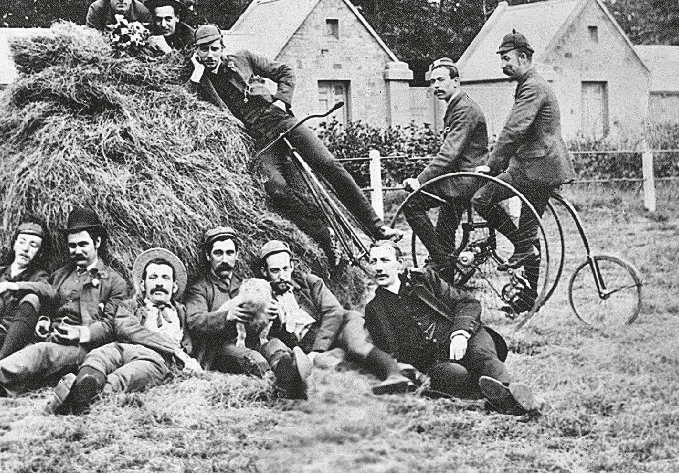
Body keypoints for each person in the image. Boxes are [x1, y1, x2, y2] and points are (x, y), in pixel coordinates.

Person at [189, 25, 402, 252]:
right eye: (204, 50)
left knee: (329, 165)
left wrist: (282, 100)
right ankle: (324, 230)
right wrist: (196, 75)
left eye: (214, 48)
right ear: (197, 52)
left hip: (281, 121)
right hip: (259, 141)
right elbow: (196, 106)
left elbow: (285, 72)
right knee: (276, 188)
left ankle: (377, 228)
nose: (210, 55)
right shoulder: (201, 81)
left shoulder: (244, 58)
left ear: (222, 47)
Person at [0, 207, 129, 399]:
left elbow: (111, 326)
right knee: (29, 352)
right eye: (72, 246)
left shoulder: (114, 282)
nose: (77, 251)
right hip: (49, 336)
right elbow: (47, 299)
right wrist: (44, 319)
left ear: (97, 242)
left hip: (80, 348)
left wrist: (79, 332)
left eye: (83, 244)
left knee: (40, 352)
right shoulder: (61, 274)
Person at [363, 241, 542, 416]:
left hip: (466, 337)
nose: (379, 267)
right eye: (373, 261)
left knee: (484, 359)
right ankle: (515, 402)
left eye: (385, 260)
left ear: (399, 263)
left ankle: (504, 394)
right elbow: (392, 353)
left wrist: (460, 335)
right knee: (455, 375)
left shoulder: (425, 280)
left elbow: (467, 302)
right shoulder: (375, 309)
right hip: (436, 361)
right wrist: (416, 374)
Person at [471, 30, 575, 311]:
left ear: (524, 57)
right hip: (539, 166)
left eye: (507, 59)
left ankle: (523, 246)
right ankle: (526, 299)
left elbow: (514, 130)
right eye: (502, 59)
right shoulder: (529, 84)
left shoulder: (532, 87)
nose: (503, 65)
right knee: (529, 231)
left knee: (481, 199)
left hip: (534, 168)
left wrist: (493, 166)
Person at [49, 247, 201, 414]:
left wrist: (187, 360)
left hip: (155, 359)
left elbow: (203, 327)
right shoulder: (131, 306)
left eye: (165, 278)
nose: (159, 283)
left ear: (174, 286)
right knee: (98, 357)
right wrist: (173, 348)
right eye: (153, 277)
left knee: (127, 376)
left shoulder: (183, 313)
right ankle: (84, 383)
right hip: (122, 347)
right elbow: (126, 328)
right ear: (143, 285)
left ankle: (79, 399)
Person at [257, 239, 415, 395]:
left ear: (292, 265)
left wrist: (317, 349)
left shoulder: (309, 282)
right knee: (330, 364)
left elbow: (334, 311)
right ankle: (402, 370)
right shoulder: (262, 295)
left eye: (285, 268)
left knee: (356, 347)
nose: (282, 276)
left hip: (341, 325)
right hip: (310, 343)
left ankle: (394, 374)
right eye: (275, 271)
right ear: (265, 272)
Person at [185, 226, 313, 400]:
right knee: (252, 358)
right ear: (208, 256)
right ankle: (276, 389)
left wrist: (272, 316)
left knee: (275, 345)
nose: (225, 259)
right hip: (220, 349)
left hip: (254, 340)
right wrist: (226, 316)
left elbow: (266, 325)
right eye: (218, 253)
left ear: (237, 255)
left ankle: (290, 369)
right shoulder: (200, 288)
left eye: (230, 253)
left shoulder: (250, 284)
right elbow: (194, 321)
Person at [400, 58, 489, 282]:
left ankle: (441, 261)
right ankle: (444, 278)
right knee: (445, 230)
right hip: (460, 178)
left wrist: (420, 181)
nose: (436, 86)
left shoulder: (464, 109)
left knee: (413, 204)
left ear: (456, 81)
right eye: (432, 81)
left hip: (464, 179)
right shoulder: (458, 106)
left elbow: (449, 154)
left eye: (441, 80)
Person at [0, 221, 50, 361]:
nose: (25, 249)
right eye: (22, 242)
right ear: (14, 245)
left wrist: (11, 286)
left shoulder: (39, 276)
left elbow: (50, 291)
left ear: (40, 253)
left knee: (32, 298)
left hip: (14, 341)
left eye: (33, 245)